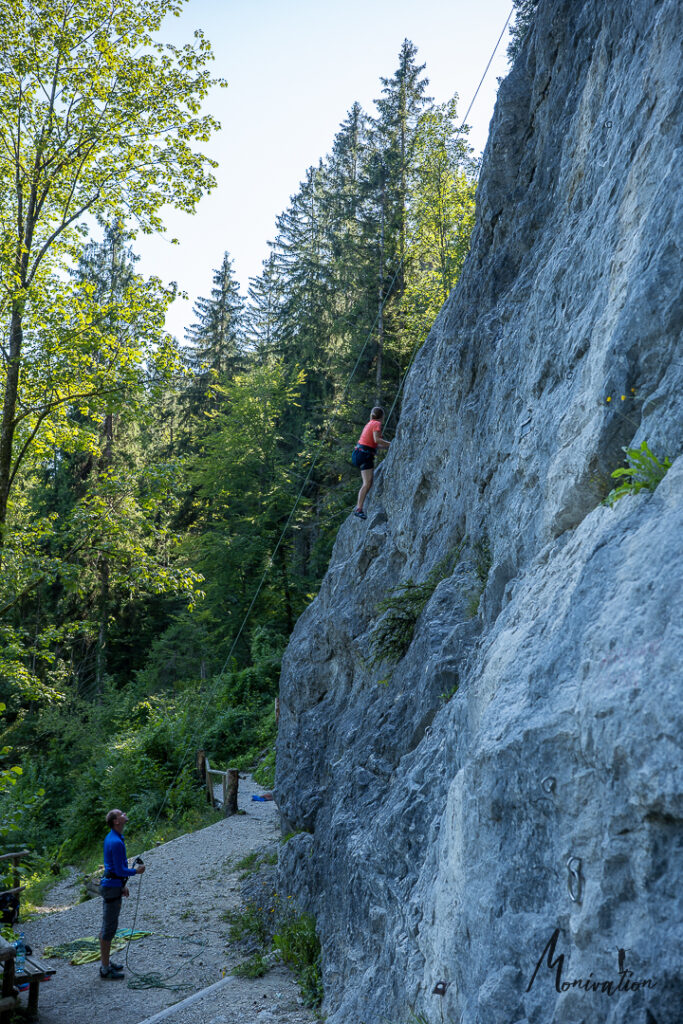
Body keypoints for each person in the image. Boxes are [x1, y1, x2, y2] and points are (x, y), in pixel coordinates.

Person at [99, 808, 145, 980]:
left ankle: (106, 961)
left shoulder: (113, 837)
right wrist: (136, 871)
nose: (125, 814)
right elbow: (119, 869)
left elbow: (114, 868)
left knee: (107, 927)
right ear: (116, 821)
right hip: (111, 887)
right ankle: (104, 968)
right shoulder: (116, 842)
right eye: (121, 814)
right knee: (108, 929)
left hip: (112, 885)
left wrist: (120, 886)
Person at [351, 406, 391, 520]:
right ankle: (359, 509)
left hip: (359, 453)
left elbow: (374, 444)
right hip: (364, 455)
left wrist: (387, 446)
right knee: (367, 483)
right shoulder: (376, 424)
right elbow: (377, 440)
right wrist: (391, 444)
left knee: (366, 483)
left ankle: (359, 508)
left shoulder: (369, 423)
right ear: (382, 416)